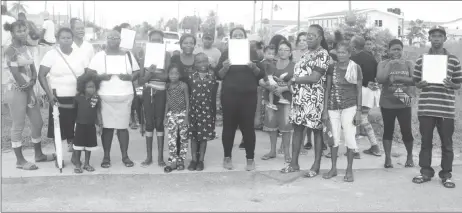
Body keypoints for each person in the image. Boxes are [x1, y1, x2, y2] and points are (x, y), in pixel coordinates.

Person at [412, 26, 461, 189]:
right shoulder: (422, 59)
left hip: (446, 109)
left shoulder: (453, 60)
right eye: (433, 36)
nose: (437, 39)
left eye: (440, 36)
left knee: (447, 143)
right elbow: (416, 82)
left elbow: (458, 83)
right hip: (426, 107)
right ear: (430, 39)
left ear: (444, 38)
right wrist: (420, 84)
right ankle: (425, 172)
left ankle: (446, 174)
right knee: (426, 142)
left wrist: (452, 84)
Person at [4, 20, 55, 170]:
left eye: (24, 30)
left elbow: (32, 67)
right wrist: (28, 88)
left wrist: (33, 80)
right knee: (18, 125)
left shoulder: (25, 47)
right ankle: (20, 161)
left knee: (38, 122)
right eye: (19, 31)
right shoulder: (10, 50)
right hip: (16, 91)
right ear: (12, 33)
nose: (23, 33)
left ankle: (38, 155)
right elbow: (15, 73)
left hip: (29, 89)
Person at [281, 24, 331, 177]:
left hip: (314, 99)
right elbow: (299, 73)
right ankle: (294, 163)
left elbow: (315, 77)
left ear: (320, 38)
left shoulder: (323, 55)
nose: (308, 37)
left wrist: (294, 80)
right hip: (299, 99)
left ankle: (315, 166)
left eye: (312, 35)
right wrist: (291, 82)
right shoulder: (305, 54)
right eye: (307, 34)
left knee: (316, 131)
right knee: (297, 129)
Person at [87, 30, 140, 168]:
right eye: (110, 37)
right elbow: (89, 73)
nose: (113, 40)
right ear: (106, 39)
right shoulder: (99, 56)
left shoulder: (128, 55)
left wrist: (130, 78)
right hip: (105, 96)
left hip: (125, 95)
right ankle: (106, 157)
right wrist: (100, 77)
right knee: (108, 129)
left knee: (123, 128)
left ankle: (125, 156)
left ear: (120, 40)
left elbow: (137, 72)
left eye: (116, 38)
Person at [216, 27, 265, 171]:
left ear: (245, 38)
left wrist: (253, 67)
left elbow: (261, 74)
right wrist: (225, 68)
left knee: (248, 128)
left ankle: (250, 159)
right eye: (235, 35)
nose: (238, 37)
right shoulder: (226, 53)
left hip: (248, 96)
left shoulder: (252, 53)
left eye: (240, 35)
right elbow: (218, 75)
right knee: (228, 127)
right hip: (229, 96)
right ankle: (227, 157)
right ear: (231, 38)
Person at [38, 28, 86, 153]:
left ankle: (75, 154)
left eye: (69, 37)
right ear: (58, 39)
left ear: (72, 39)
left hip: (77, 97)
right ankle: (59, 156)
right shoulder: (51, 54)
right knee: (58, 129)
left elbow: (87, 75)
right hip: (57, 98)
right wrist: (49, 95)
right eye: (63, 38)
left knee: (77, 127)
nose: (66, 40)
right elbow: (41, 75)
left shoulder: (80, 54)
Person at [323, 42, 363, 182]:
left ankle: (349, 169)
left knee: (349, 137)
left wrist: (359, 111)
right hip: (333, 106)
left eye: (344, 52)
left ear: (349, 54)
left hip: (350, 106)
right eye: (339, 52)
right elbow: (327, 89)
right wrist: (325, 110)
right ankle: (333, 168)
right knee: (333, 137)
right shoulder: (331, 67)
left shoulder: (355, 68)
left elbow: (359, 90)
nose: (341, 55)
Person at [376, 39, 416, 169]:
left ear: (402, 50)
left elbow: (415, 80)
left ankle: (409, 156)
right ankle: (388, 158)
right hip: (387, 100)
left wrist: (398, 78)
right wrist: (390, 65)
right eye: (394, 49)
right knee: (388, 130)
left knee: (406, 130)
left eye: (399, 49)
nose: (396, 52)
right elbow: (381, 79)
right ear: (388, 51)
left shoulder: (409, 63)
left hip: (404, 99)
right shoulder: (383, 63)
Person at [138, 29, 171, 167]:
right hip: (148, 91)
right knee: (149, 123)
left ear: (162, 42)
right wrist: (151, 73)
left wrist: (150, 75)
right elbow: (141, 80)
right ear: (149, 41)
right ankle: (149, 156)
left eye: (159, 40)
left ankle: (160, 158)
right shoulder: (144, 55)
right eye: (153, 40)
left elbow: (167, 77)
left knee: (159, 123)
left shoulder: (167, 55)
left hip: (161, 92)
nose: (156, 42)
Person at [59, 72, 101, 173]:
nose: (92, 89)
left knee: (89, 146)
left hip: (91, 126)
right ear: (83, 87)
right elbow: (72, 107)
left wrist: (100, 125)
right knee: (77, 146)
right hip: (79, 126)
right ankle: (77, 164)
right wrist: (60, 105)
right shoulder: (78, 98)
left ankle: (87, 163)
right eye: (89, 87)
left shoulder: (96, 98)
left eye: (94, 87)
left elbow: (98, 112)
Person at [260, 40, 294, 163]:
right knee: (271, 126)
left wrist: (283, 88)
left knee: (286, 127)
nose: (283, 52)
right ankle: (272, 151)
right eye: (280, 49)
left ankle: (287, 153)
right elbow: (261, 79)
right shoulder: (270, 63)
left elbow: (297, 84)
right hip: (271, 100)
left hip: (287, 100)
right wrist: (268, 87)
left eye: (286, 50)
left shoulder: (294, 66)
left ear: (290, 52)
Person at [350, 36, 381, 159]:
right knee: (363, 118)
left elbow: (353, 78)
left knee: (355, 119)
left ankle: (355, 150)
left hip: (360, 91)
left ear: (354, 46)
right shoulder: (371, 57)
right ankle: (374, 146)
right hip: (371, 92)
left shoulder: (353, 59)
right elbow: (376, 75)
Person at [187, 53, 218, 171]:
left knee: (203, 137)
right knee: (194, 136)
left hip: (207, 110)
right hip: (194, 110)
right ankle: (194, 159)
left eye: (205, 61)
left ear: (208, 62)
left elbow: (215, 94)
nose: (202, 64)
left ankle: (201, 160)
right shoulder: (191, 76)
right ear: (195, 64)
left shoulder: (212, 75)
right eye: (199, 62)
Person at [193, 31, 222, 138]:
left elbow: (219, 70)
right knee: (198, 106)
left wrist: (212, 65)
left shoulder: (217, 52)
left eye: (210, 38)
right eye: (206, 38)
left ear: (213, 40)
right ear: (202, 39)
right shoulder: (196, 51)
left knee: (211, 106)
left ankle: (211, 129)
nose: (207, 40)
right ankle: (197, 128)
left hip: (211, 83)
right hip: (197, 83)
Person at [163, 64, 190, 173]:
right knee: (172, 139)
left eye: (176, 73)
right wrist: (165, 116)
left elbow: (188, 102)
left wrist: (187, 117)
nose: (173, 76)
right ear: (168, 75)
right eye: (171, 73)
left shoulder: (183, 85)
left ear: (180, 75)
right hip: (171, 115)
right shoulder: (167, 86)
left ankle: (181, 160)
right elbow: (167, 102)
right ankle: (173, 160)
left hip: (182, 114)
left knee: (183, 138)